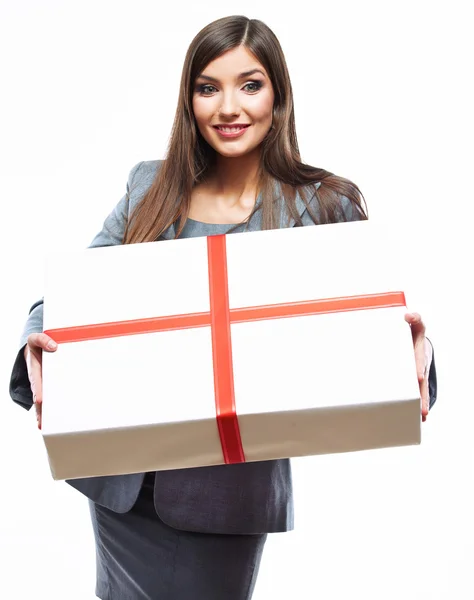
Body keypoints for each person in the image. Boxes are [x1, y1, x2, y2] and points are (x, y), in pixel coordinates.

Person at [9, 14, 437, 600]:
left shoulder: (320, 204)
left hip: (221, 494)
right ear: (189, 100)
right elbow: (76, 291)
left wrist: (415, 347)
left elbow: (372, 321)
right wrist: (38, 331)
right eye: (208, 87)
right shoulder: (149, 186)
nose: (228, 107)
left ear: (278, 94)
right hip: (122, 483)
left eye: (250, 84)